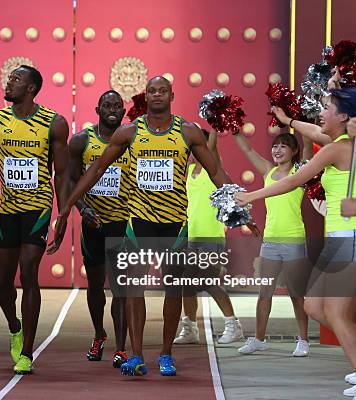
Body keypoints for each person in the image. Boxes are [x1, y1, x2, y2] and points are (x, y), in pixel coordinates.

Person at [50, 76, 232, 377]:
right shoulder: (129, 132)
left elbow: (215, 170)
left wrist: (237, 203)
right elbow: (96, 168)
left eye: (162, 90)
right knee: (134, 289)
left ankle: (166, 354)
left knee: (173, 290)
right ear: (145, 96)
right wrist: (69, 203)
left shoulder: (187, 132)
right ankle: (135, 354)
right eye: (152, 90)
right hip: (138, 222)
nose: (157, 94)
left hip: (174, 224)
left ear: (172, 95)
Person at [235, 88, 356, 398]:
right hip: (337, 240)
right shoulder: (339, 143)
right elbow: (313, 129)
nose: (321, 111)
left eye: (327, 106)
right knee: (315, 306)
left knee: (338, 313)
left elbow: (292, 181)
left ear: (343, 116)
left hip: (349, 239)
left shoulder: (338, 149)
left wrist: (251, 196)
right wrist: (289, 120)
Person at [0, 65, 69, 374]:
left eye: (17, 79)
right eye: (10, 77)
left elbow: (62, 173)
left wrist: (63, 212)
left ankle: (27, 351)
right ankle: (14, 325)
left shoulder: (53, 123)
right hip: (8, 211)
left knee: (28, 273)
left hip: (38, 209)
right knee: (2, 282)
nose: (9, 82)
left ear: (31, 88)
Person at [230, 129, 311, 357]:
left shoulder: (300, 171)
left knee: (296, 294)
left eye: (284, 146)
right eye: (275, 146)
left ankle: (303, 340)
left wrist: (301, 123)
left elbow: (307, 146)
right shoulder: (269, 170)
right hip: (270, 241)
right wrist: (234, 129)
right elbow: (246, 149)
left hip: (294, 239)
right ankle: (258, 339)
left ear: (294, 151)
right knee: (265, 292)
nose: (277, 150)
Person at [68, 90, 128, 367]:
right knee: (95, 285)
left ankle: (122, 346)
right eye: (107, 105)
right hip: (93, 223)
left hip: (123, 224)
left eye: (117, 105)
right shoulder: (82, 141)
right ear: (98, 109)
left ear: (123, 111)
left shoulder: (132, 140)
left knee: (121, 288)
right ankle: (98, 334)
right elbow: (70, 181)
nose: (112, 109)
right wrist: (82, 208)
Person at [174, 129, 243, 345]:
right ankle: (190, 328)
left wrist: (214, 122)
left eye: (199, 144)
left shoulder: (211, 168)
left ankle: (233, 325)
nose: (195, 149)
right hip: (189, 237)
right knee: (186, 283)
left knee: (209, 281)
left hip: (210, 237)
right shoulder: (186, 171)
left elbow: (211, 147)